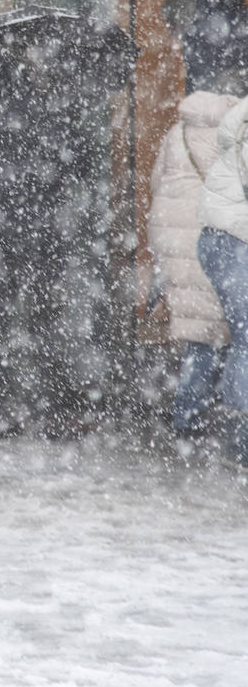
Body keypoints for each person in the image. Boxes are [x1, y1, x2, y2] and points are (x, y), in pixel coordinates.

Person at [149, 89, 237, 450]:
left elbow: (158, 181)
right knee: (228, 332)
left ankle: (188, 416)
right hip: (216, 235)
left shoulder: (178, 132)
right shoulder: (236, 133)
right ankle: (222, 414)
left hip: (176, 234)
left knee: (199, 333)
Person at [196, 95, 248, 471]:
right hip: (236, 243)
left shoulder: (238, 136)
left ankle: (236, 441)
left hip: (221, 240)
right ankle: (239, 445)